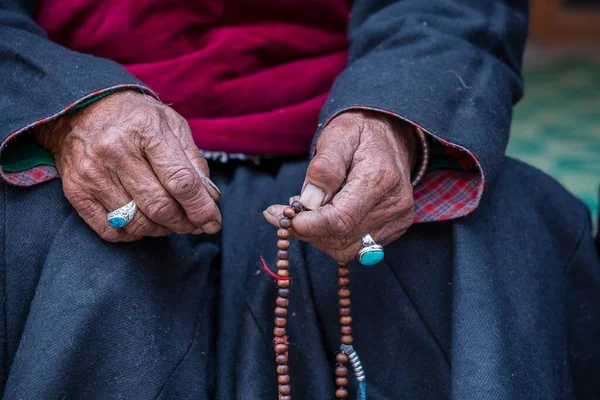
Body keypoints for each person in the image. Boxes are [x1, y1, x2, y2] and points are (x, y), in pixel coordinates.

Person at [0, 0, 598, 398]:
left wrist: (397, 112)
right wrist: (65, 110)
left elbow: (450, 9)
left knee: (491, 243)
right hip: (74, 121)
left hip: (347, 110)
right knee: (54, 251)